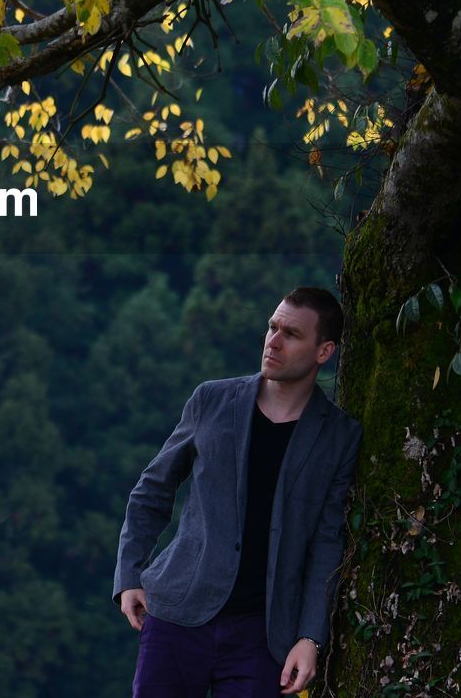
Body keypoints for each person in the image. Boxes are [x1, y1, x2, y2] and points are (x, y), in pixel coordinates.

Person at [112, 287, 363, 697]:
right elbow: (151, 492)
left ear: (324, 351)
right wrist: (129, 574)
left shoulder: (339, 436)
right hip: (179, 615)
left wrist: (310, 637)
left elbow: (327, 542)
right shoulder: (211, 400)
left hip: (263, 637)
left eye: (291, 334)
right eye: (272, 327)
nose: (273, 341)